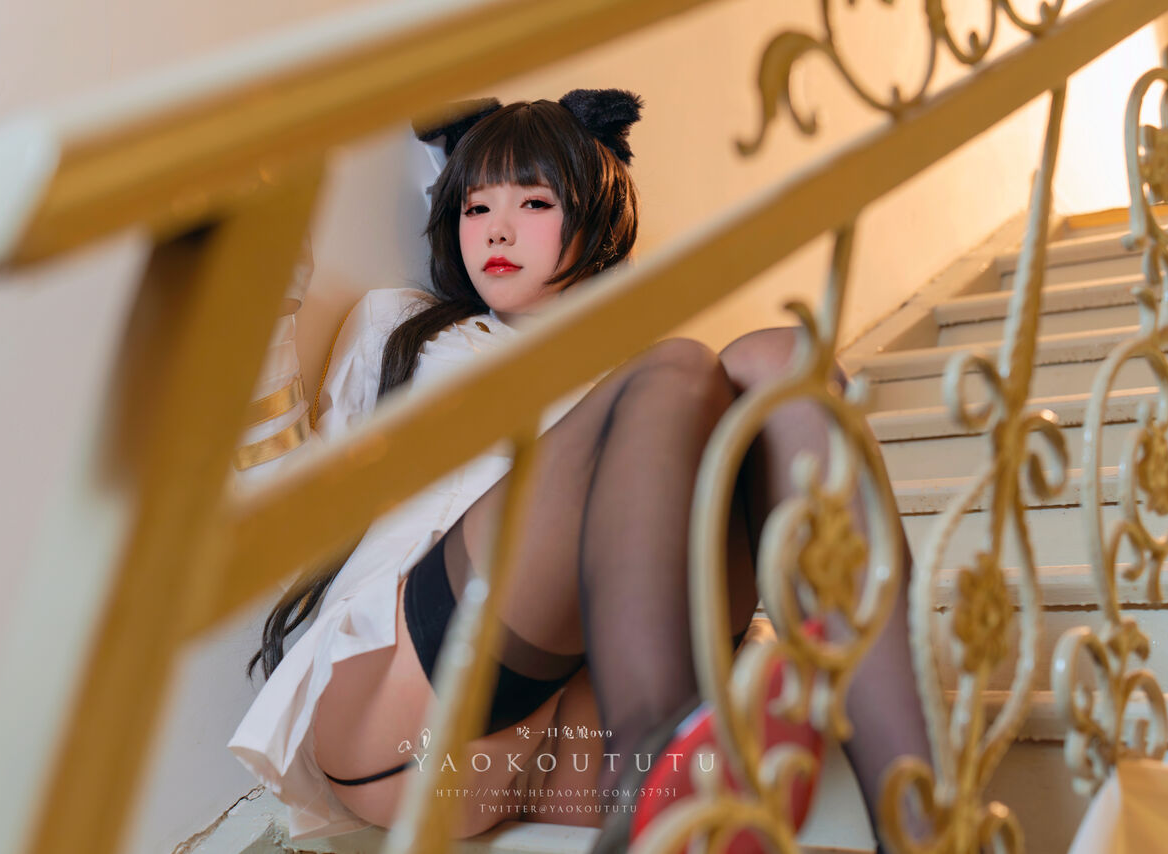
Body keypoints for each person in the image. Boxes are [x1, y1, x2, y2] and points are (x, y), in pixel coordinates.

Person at [228, 89, 930, 853]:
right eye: (475, 208)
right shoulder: (403, 328)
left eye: (534, 202)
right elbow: (286, 508)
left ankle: (917, 818)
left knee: (779, 358)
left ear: (597, 221)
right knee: (677, 370)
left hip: (567, 740)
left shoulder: (637, 395)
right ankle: (656, 776)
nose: (496, 229)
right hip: (408, 725)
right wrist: (261, 305)